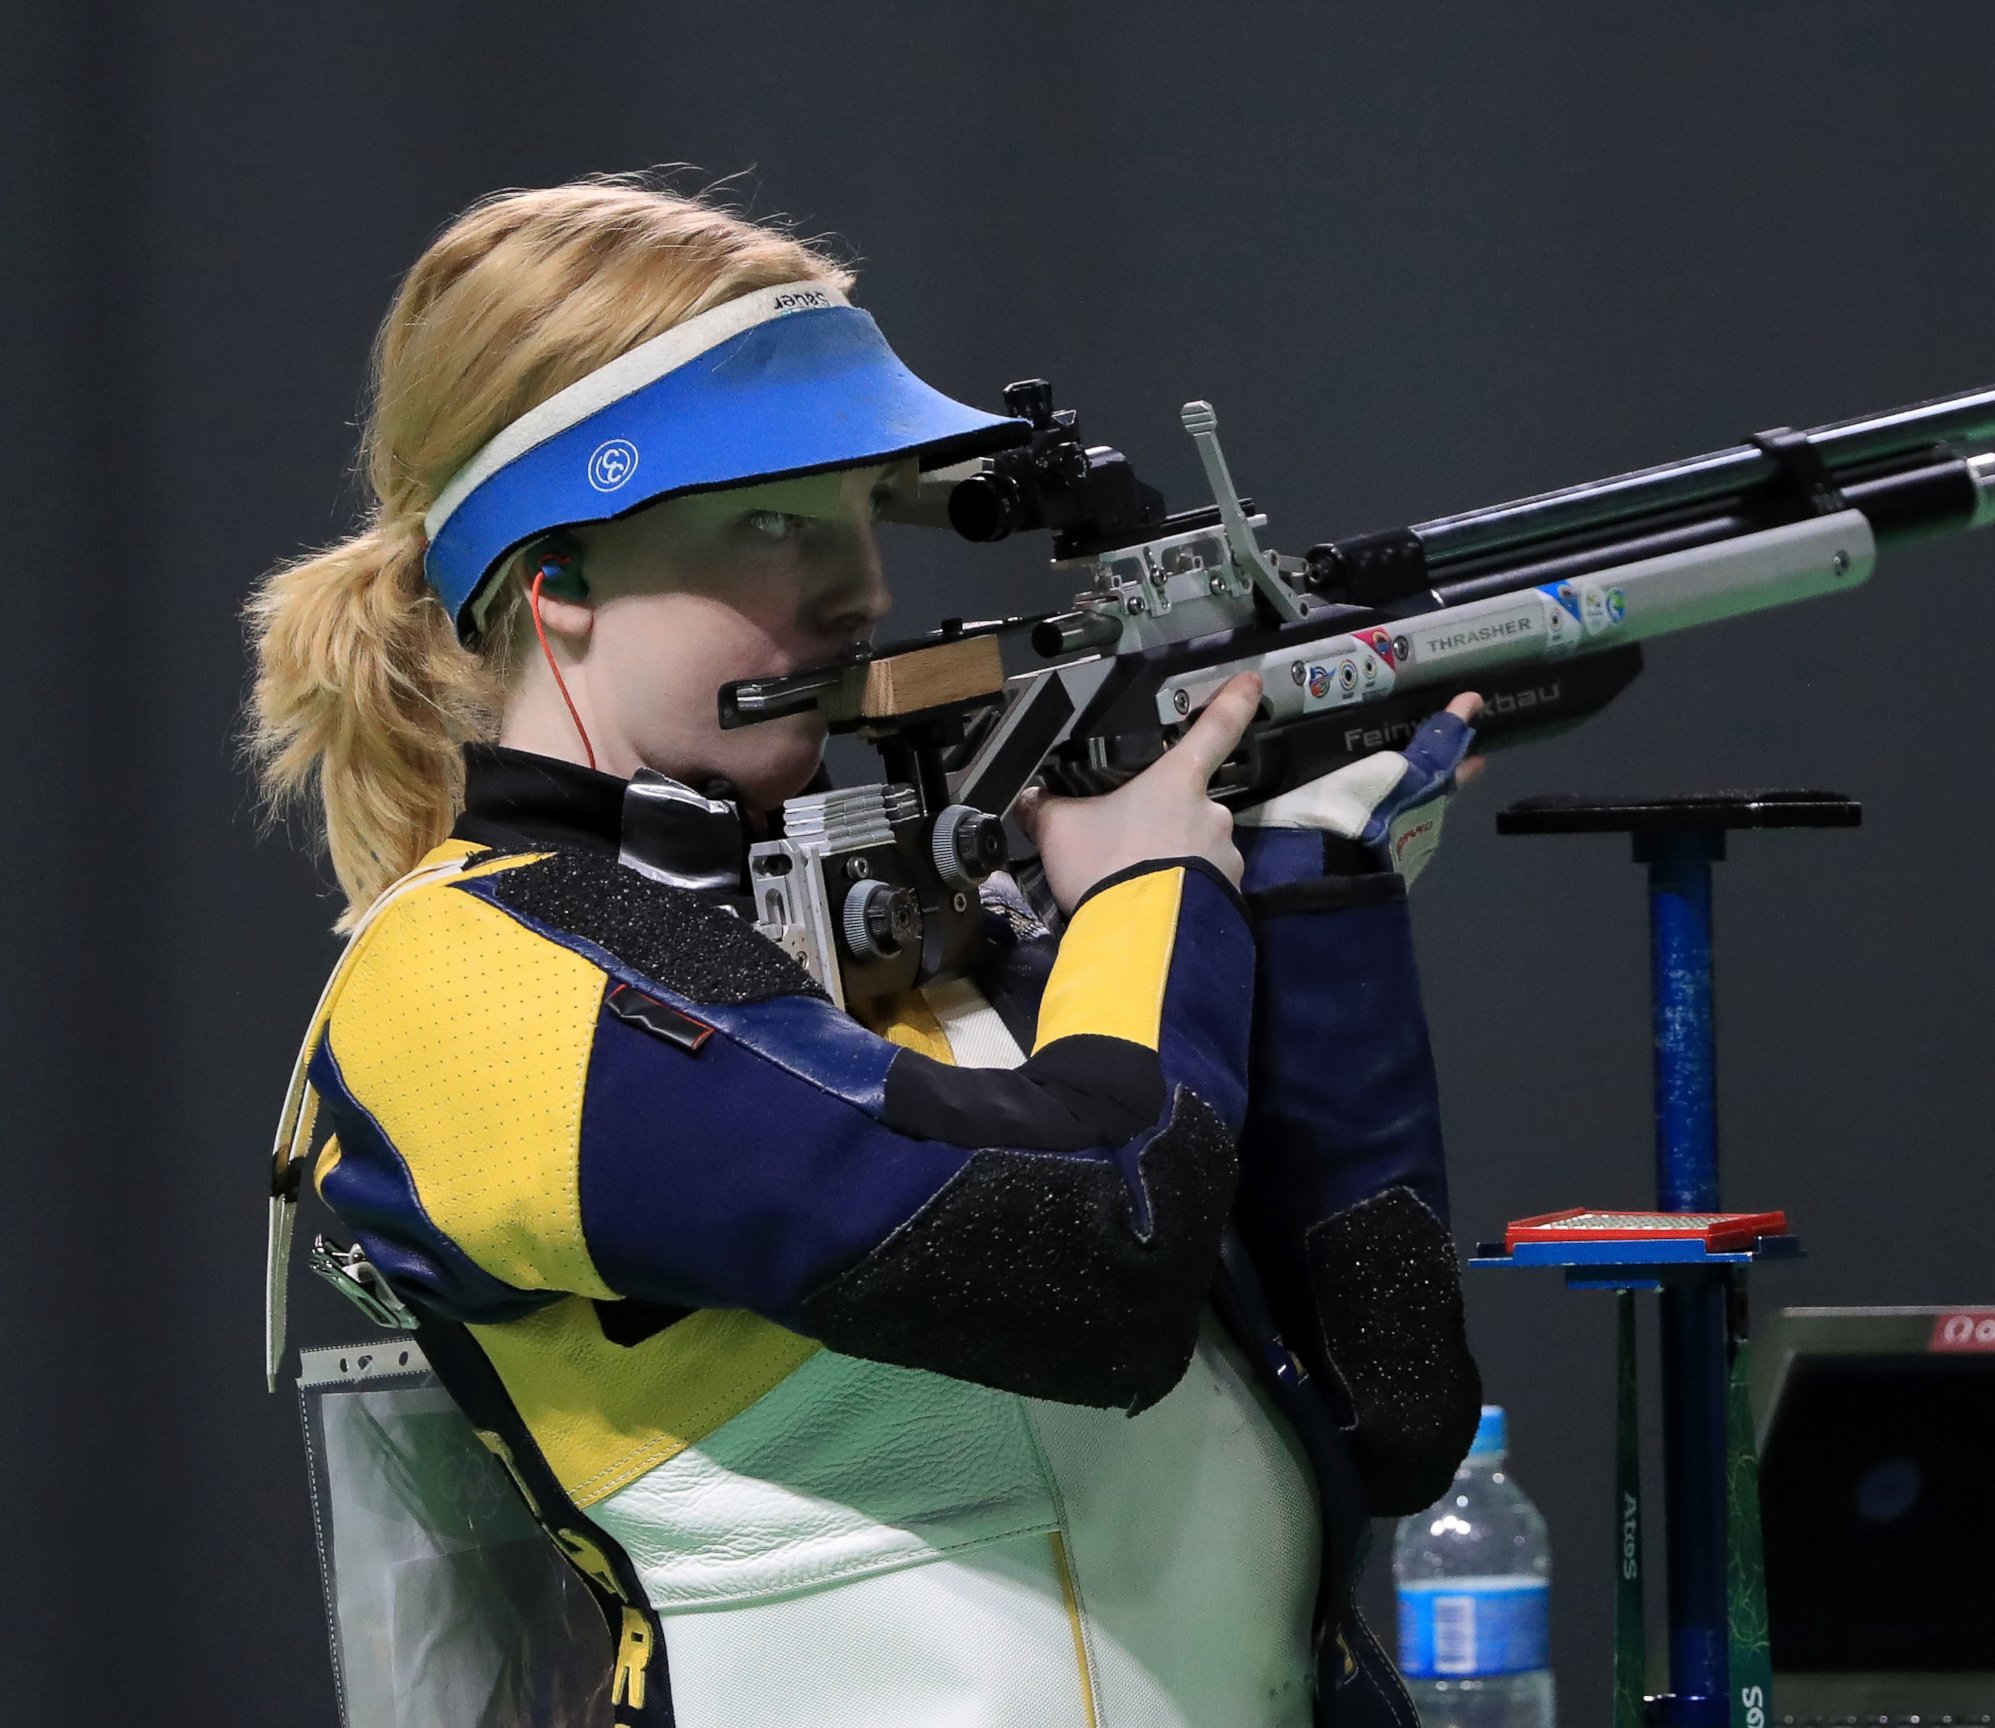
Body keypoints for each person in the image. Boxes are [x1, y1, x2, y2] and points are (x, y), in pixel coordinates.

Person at [247, 176, 1484, 1728]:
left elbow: (1394, 1412)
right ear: (551, 579)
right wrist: (1152, 898)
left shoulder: (927, 943)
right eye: (769, 520)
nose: (863, 592)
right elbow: (1096, 1266)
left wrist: (1308, 880)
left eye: (856, 516)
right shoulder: (463, 989)